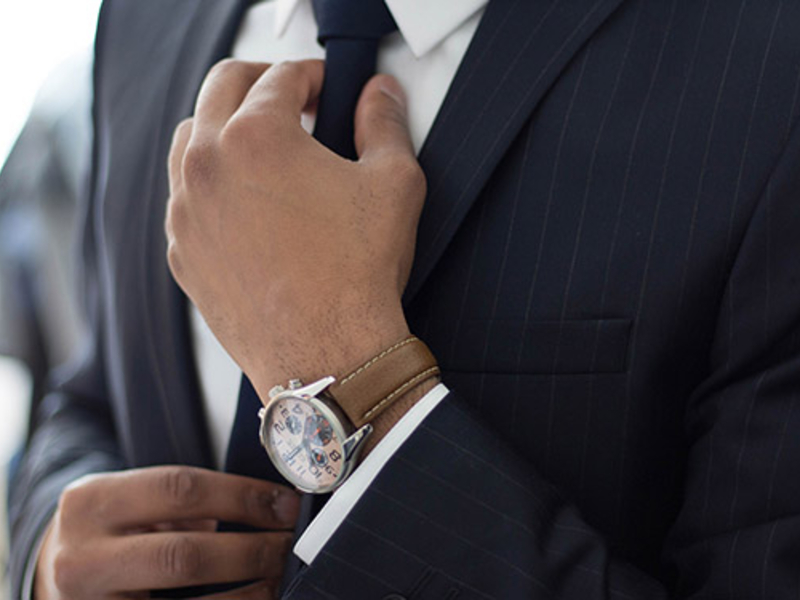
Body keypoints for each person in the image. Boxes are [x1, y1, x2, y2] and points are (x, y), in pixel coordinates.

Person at [9, 0, 800, 598]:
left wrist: (348, 371)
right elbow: (92, 387)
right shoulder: (144, 17)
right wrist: (47, 549)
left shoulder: (768, 72)